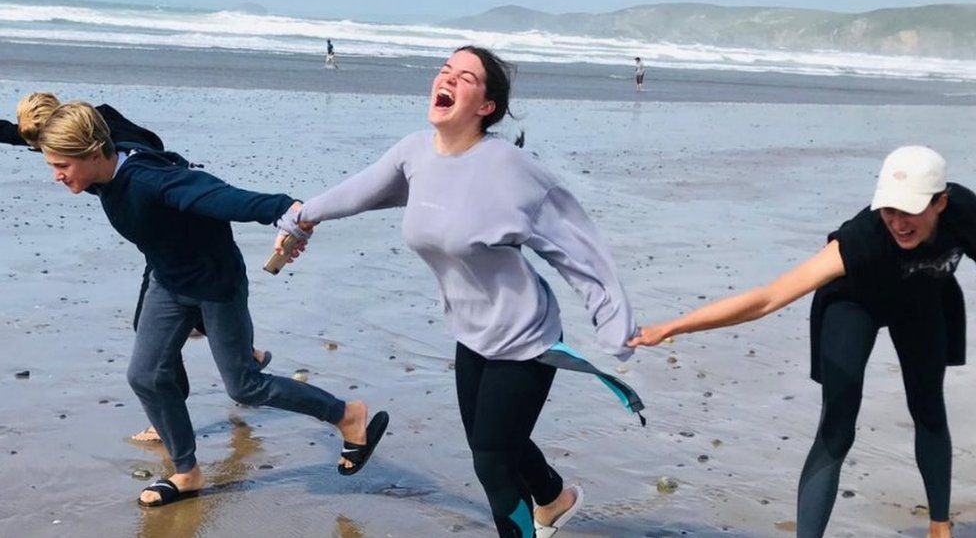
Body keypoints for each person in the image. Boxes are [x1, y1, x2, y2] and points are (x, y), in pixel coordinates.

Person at [277, 45, 638, 538]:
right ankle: (553, 500)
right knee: (494, 442)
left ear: (486, 106)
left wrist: (615, 325)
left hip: (527, 338)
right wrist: (300, 218)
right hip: (470, 332)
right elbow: (357, 192)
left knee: (490, 461)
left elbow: (579, 249)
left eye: (464, 76)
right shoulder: (414, 153)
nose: (446, 78)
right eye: (445, 69)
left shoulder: (513, 170)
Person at [36, 101, 389, 507]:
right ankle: (186, 471)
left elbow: (219, 196)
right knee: (146, 375)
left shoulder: (153, 181)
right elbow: (89, 119)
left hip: (214, 285)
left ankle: (347, 415)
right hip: (167, 282)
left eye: (61, 165)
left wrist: (283, 209)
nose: (56, 176)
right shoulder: (103, 167)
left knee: (245, 386)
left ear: (95, 152)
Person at [629, 146, 964, 538]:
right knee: (837, 427)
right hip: (854, 302)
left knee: (929, 409)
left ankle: (940, 528)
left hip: (922, 295)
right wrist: (672, 327)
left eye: (909, 210)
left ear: (941, 203)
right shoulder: (861, 239)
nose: (898, 222)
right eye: (889, 209)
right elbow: (767, 299)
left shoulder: (965, 214)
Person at [6, 92, 271, 444]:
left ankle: (186, 397)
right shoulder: (71, 143)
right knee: (154, 328)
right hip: (157, 243)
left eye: (52, 156)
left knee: (171, 327)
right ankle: (186, 397)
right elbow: (13, 133)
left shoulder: (105, 146)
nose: (53, 167)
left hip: (179, 235)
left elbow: (160, 156)